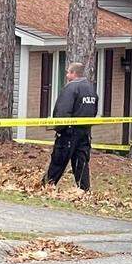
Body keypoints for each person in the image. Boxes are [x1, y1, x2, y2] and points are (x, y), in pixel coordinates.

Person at [43, 61, 99, 191]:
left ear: (74, 73)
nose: (67, 75)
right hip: (85, 132)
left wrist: (59, 128)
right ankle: (84, 189)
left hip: (68, 132)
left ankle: (47, 186)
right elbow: (94, 110)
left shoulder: (71, 88)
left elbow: (62, 111)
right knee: (81, 163)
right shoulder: (91, 89)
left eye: (68, 72)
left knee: (58, 161)